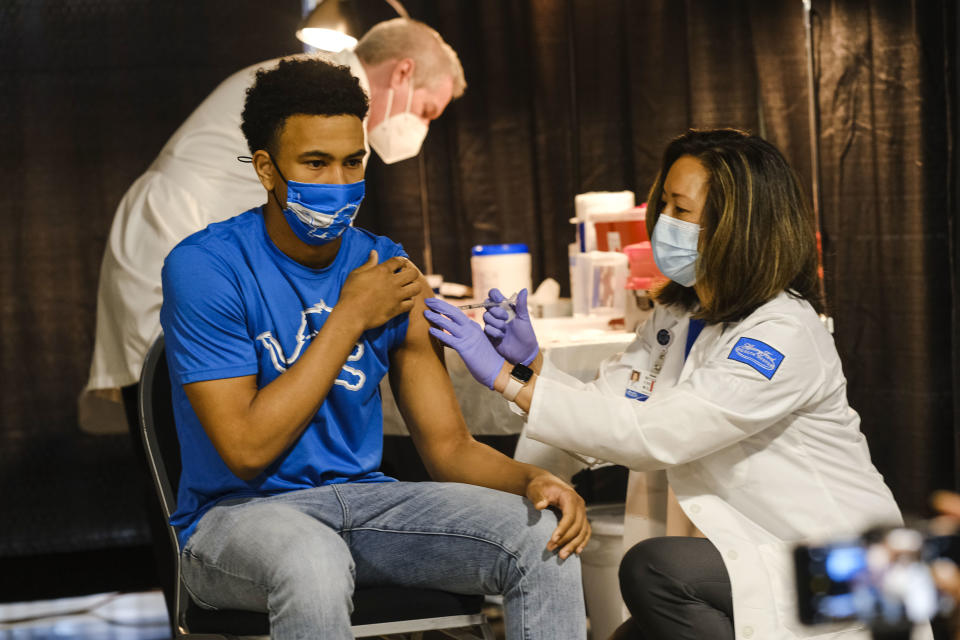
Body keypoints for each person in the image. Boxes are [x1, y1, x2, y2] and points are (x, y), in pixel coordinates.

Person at [425, 129, 923, 639]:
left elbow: (658, 435)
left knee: (654, 570)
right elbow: (613, 407)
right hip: (766, 553)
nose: (664, 223)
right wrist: (530, 364)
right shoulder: (679, 317)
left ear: (738, 225)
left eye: (682, 211)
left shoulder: (781, 333)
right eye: (663, 204)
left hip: (849, 565)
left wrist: (508, 381)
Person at [158, 57, 588, 640]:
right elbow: (248, 450)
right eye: (315, 163)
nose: (339, 183)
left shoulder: (388, 267)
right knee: (312, 560)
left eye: (352, 161)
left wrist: (531, 480)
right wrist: (350, 315)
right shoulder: (205, 266)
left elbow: (449, 447)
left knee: (544, 535)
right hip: (237, 521)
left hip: (368, 508)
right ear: (266, 168)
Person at [81, 17, 466, 433]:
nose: (422, 129)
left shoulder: (332, 105)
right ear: (403, 72)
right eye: (427, 111)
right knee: (177, 424)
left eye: (352, 163)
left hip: (197, 242)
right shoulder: (315, 98)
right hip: (174, 237)